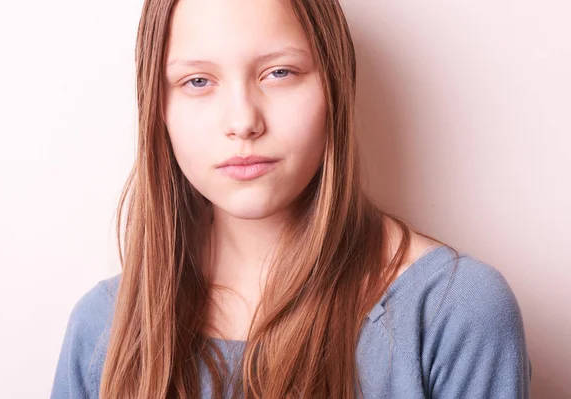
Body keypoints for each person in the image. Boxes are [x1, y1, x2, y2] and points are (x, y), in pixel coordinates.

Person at [50, 0, 531, 397]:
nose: (243, 121)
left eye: (279, 73)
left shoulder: (454, 312)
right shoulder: (104, 329)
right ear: (158, 108)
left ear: (336, 87)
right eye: (198, 81)